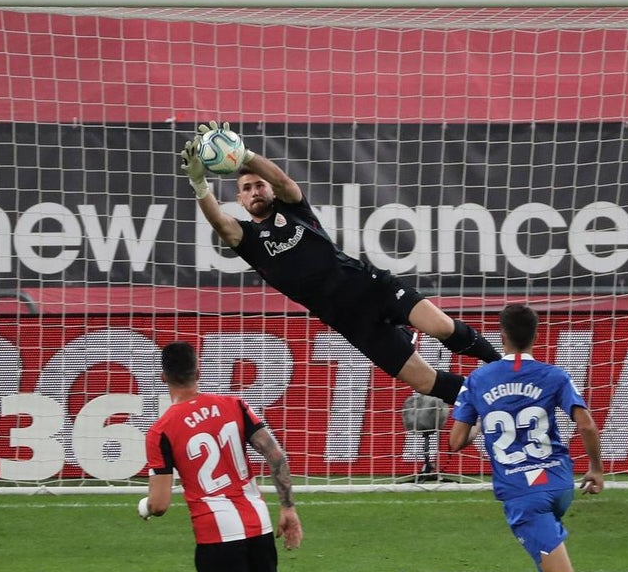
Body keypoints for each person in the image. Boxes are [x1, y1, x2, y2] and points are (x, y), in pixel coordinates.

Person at [179, 121, 501, 407]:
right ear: (240, 200)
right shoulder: (247, 239)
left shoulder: (292, 208)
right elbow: (222, 224)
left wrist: (244, 155)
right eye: (246, 189)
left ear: (268, 188)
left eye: (259, 184)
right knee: (423, 381)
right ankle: (481, 400)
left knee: (442, 327)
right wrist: (199, 185)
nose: (255, 191)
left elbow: (283, 180)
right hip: (351, 322)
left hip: (374, 288)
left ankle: (502, 366)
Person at [139, 340, 355, 572]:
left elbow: (160, 504)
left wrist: (144, 507)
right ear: (199, 371)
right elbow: (276, 455)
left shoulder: (161, 430)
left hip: (215, 534)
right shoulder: (233, 405)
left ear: (163, 377)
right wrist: (288, 509)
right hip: (256, 523)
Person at [446, 303, 628, 572]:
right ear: (536, 335)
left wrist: (484, 416)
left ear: (501, 335)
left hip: (521, 494)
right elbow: (588, 425)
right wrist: (596, 470)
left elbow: (456, 442)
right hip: (560, 485)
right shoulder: (553, 375)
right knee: (545, 553)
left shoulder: (479, 380)